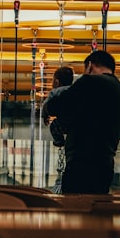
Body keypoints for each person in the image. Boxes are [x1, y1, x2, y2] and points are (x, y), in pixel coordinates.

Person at [43, 49, 120, 238]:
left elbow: (56, 104)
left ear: (90, 65)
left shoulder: (90, 82)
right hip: (104, 164)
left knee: (77, 229)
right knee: (99, 229)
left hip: (80, 164)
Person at [42, 65, 74, 193]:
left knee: (53, 126)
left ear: (56, 82)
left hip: (61, 121)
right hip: (72, 122)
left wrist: (45, 115)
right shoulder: (74, 90)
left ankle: (59, 140)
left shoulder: (55, 92)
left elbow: (46, 105)